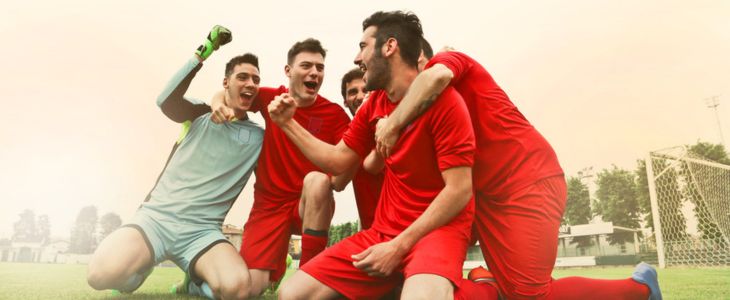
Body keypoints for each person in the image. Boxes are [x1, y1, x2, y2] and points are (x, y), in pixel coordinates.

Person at [374, 27, 663, 300]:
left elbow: (436, 76)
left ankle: (640, 288)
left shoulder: (448, 62)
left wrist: (392, 124)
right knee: (515, 292)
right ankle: (484, 279)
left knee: (531, 295)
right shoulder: (420, 109)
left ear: (422, 58)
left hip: (526, 179)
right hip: (488, 196)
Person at [270, 11, 477, 299]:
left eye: (363, 46)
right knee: (291, 295)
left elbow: (459, 191)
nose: (357, 58)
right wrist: (286, 124)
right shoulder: (374, 105)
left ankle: (482, 288)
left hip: (436, 233)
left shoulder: (447, 103)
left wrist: (398, 247)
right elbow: (338, 161)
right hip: (382, 234)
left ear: (389, 47)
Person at [87, 25, 265, 299]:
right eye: (243, 77)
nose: (251, 84)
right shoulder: (199, 113)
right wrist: (205, 50)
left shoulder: (258, 137)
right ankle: (140, 269)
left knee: (237, 290)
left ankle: (194, 283)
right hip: (156, 219)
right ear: (226, 82)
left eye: (256, 79)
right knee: (99, 275)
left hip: (202, 232)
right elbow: (165, 100)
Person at [210, 38, 352, 291]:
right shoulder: (271, 98)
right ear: (288, 71)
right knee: (247, 290)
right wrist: (217, 103)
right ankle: (277, 262)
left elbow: (342, 173)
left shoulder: (335, 115)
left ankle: (307, 274)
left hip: (307, 204)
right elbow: (230, 92)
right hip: (269, 205)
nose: (314, 73)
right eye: (306, 66)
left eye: (320, 68)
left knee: (317, 181)